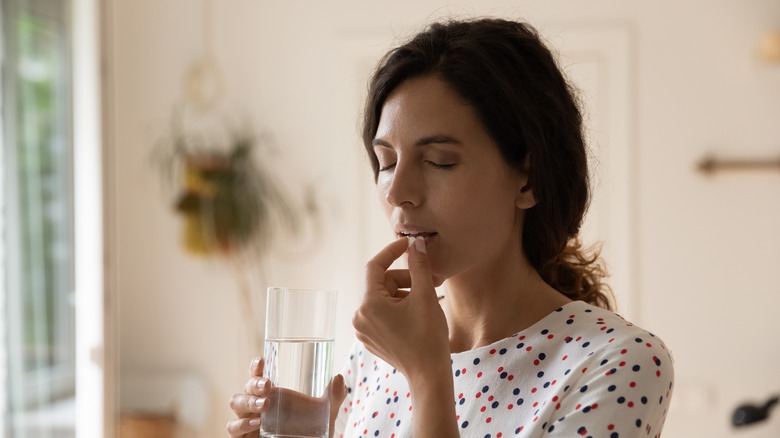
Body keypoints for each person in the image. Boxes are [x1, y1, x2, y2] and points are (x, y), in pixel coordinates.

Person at [227, 17, 674, 438]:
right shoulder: (376, 354)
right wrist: (323, 426)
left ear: (529, 179)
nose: (398, 190)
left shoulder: (618, 361)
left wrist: (427, 375)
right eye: (386, 162)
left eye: (439, 161)